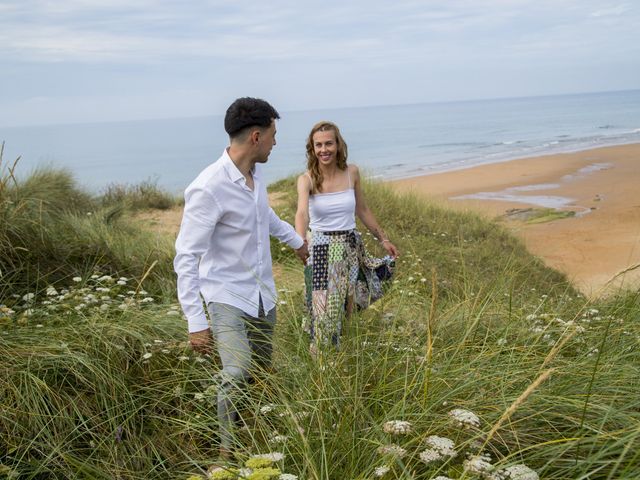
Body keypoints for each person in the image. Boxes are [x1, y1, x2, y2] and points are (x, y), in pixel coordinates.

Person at [174, 97, 309, 459]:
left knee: (262, 372)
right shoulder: (209, 187)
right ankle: (226, 450)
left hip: (263, 294)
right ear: (255, 137)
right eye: (273, 135)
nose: (275, 143)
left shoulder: (255, 175)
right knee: (237, 369)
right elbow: (186, 257)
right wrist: (196, 321)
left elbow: (264, 216)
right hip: (226, 296)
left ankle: (256, 434)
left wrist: (298, 244)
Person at [295, 121, 398, 350]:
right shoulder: (307, 179)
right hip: (321, 249)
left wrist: (384, 239)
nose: (324, 150)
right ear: (312, 149)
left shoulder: (352, 173)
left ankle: (341, 354)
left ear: (338, 144)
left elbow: (362, 210)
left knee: (346, 307)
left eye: (329, 143)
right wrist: (300, 239)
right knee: (323, 310)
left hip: (350, 247)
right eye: (318, 145)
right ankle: (320, 360)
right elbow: (302, 212)